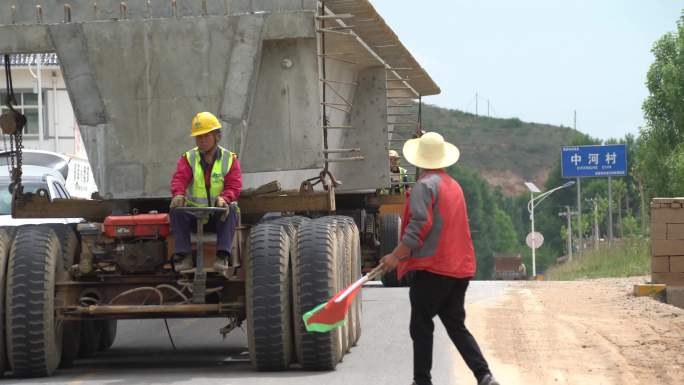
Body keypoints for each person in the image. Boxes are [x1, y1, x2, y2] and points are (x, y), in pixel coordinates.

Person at [380, 132, 500, 385]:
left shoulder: (425, 186)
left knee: (421, 325)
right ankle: (484, 375)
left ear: (419, 160)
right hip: (460, 269)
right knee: (455, 324)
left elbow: (419, 227)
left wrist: (395, 256)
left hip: (434, 268)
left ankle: (422, 381)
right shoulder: (453, 185)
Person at [169, 111, 242, 272]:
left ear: (216, 136)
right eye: (198, 137)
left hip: (218, 215)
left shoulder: (229, 159)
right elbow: (179, 179)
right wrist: (178, 194)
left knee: (231, 209)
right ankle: (184, 255)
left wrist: (225, 198)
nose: (201, 141)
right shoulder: (189, 158)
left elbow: (234, 186)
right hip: (195, 216)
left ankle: (223, 256)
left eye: (205, 136)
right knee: (175, 209)